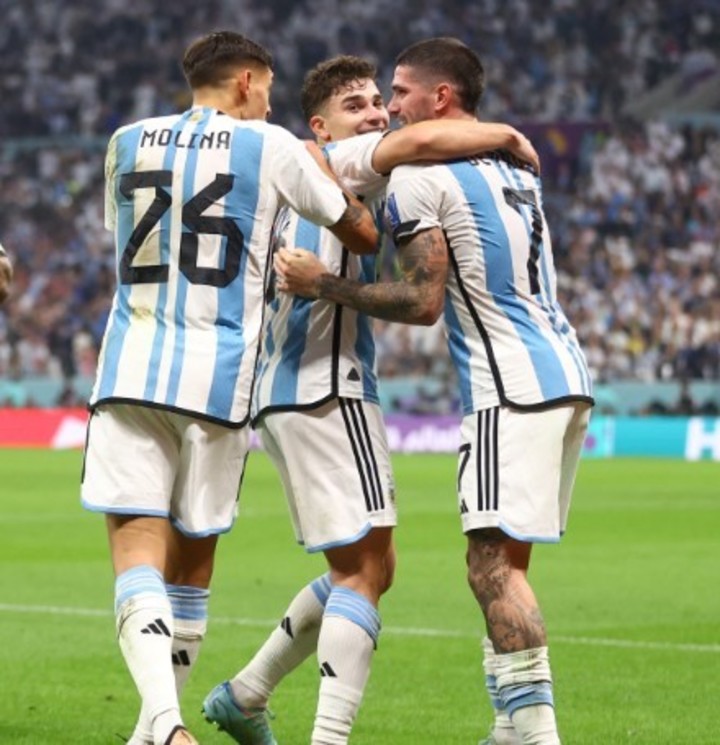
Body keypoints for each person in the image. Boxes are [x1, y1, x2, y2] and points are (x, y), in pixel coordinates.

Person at [203, 54, 541, 745]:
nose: (377, 114)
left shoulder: (271, 170)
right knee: (362, 571)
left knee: (368, 564)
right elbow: (421, 140)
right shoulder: (333, 158)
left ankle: (246, 693)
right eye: (357, 105)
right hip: (326, 383)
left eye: (378, 102)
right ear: (321, 124)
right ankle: (326, 737)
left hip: (289, 384)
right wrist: (504, 134)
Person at [276, 37, 594, 745]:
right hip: (566, 370)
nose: (389, 110)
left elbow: (423, 300)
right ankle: (510, 727)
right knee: (505, 559)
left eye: (398, 95)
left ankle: (537, 736)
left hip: (508, 385)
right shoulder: (513, 169)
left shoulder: (421, 176)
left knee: (491, 566)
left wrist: (322, 282)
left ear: (439, 100)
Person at [80, 31, 379, 745]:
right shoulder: (271, 145)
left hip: (129, 370)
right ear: (246, 81)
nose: (271, 100)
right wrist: (324, 175)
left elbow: (120, 239)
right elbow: (360, 234)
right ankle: (162, 726)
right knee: (192, 563)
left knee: (137, 553)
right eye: (269, 87)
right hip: (219, 381)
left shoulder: (124, 141)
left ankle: (158, 725)